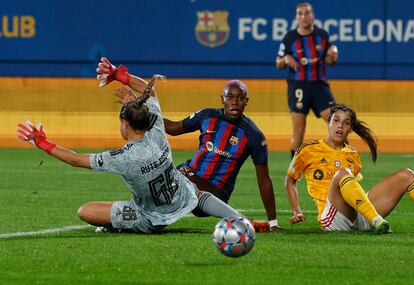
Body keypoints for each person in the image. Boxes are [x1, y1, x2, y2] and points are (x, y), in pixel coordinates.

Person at [16, 71, 244, 234]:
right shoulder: (156, 127)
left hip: (151, 218)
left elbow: (75, 160)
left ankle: (122, 224)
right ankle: (238, 218)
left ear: (125, 124)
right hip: (181, 197)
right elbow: (150, 90)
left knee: (85, 211)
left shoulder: (124, 158)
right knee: (194, 192)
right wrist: (119, 74)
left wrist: (41, 142)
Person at [95, 57, 280, 232]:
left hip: (214, 192)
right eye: (230, 97)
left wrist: (273, 223)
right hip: (186, 176)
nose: (234, 102)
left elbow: (264, 181)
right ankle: (121, 220)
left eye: (240, 98)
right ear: (222, 99)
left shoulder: (253, 136)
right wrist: (139, 108)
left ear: (247, 102)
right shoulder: (207, 116)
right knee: (156, 181)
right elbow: (174, 128)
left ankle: (244, 222)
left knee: (165, 182)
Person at [285, 104, 414, 234]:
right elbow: (290, 181)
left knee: (406, 175)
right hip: (332, 219)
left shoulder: (353, 155)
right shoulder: (307, 150)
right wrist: (297, 210)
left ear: (351, 129)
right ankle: (376, 220)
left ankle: (373, 218)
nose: (340, 125)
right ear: (328, 123)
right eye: (336, 120)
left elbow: (352, 188)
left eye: (346, 123)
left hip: (357, 215)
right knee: (342, 172)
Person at [276, 2, 339, 158]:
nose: (304, 17)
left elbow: (330, 61)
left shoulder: (322, 35)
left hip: (319, 86)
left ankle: (342, 163)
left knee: (337, 121)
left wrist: (333, 56)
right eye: (300, 14)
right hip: (298, 86)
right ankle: (294, 171)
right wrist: (285, 59)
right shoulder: (289, 38)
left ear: (313, 15)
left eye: (307, 13)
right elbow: (278, 63)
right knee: (298, 130)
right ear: (296, 17)